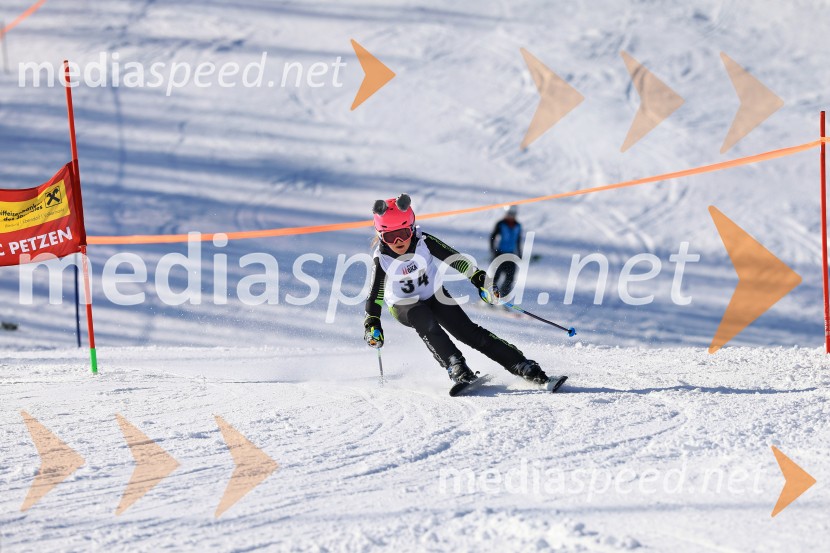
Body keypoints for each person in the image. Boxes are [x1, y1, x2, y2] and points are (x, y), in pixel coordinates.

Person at [362, 193, 551, 386]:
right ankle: (455, 365)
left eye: (403, 233)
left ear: (411, 228)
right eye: (390, 236)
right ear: (381, 236)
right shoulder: (382, 259)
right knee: (423, 317)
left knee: (467, 332)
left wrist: (479, 278)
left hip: (434, 295)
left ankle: (521, 364)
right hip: (403, 305)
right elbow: (375, 296)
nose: (398, 241)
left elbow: (455, 259)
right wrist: (372, 323)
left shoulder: (423, 242)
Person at [489, 205, 523, 296]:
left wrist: (519, 253)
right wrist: (493, 250)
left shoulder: (518, 226)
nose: (511, 216)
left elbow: (518, 240)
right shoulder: (501, 224)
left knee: (510, 278)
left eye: (513, 214)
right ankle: (489, 297)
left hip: (511, 255)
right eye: (509, 214)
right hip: (500, 254)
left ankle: (502, 298)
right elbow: (492, 237)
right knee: (496, 277)